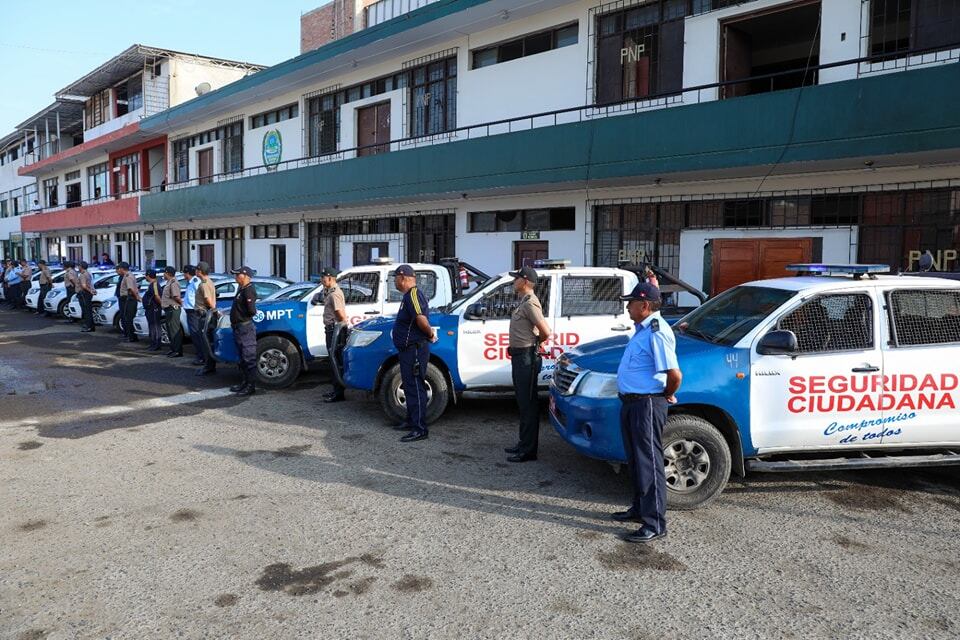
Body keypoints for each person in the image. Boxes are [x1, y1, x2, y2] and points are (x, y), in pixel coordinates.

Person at [612, 283, 682, 544]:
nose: (627, 306)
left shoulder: (656, 331)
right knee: (635, 459)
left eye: (630, 302)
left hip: (647, 404)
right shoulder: (643, 330)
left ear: (645, 306)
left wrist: (664, 394)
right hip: (632, 403)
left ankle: (654, 523)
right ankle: (639, 508)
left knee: (649, 462)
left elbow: (674, 375)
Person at [504, 265, 552, 463]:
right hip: (520, 356)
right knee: (523, 403)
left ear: (524, 281)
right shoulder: (523, 301)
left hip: (526, 358)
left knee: (528, 404)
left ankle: (528, 451)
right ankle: (524, 443)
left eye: (516, 279)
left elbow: (546, 331)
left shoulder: (530, 303)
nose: (514, 281)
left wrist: (535, 344)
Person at [392, 264, 437, 442]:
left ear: (403, 278)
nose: (394, 281)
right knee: (409, 385)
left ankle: (420, 428)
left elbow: (421, 319)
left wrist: (430, 333)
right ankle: (411, 421)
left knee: (416, 387)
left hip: (415, 349)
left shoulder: (413, 294)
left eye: (395, 277)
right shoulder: (407, 296)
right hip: (408, 349)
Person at [229, 266, 258, 396]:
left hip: (245, 328)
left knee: (249, 358)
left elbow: (252, 311)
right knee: (242, 359)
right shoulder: (242, 289)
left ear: (245, 276)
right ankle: (245, 382)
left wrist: (241, 316)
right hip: (238, 328)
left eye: (238, 275)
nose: (236, 277)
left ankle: (251, 386)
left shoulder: (249, 290)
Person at [320, 267, 347, 403]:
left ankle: (339, 393)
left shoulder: (334, 293)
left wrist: (339, 326)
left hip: (334, 329)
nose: (321, 279)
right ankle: (336, 390)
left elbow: (340, 314)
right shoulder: (329, 291)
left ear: (330, 278)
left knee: (335, 359)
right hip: (331, 329)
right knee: (333, 359)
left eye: (323, 277)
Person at [193, 261, 217, 376]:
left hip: (204, 315)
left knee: (205, 341)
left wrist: (214, 310)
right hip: (206, 314)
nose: (195, 272)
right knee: (207, 341)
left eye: (197, 270)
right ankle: (209, 365)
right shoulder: (208, 282)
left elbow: (207, 299)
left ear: (200, 271)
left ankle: (208, 366)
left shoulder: (204, 284)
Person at [160, 266, 184, 357]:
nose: (163, 274)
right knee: (170, 330)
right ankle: (173, 348)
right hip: (168, 309)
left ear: (168, 273)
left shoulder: (173, 283)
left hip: (173, 309)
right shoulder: (169, 282)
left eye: (164, 273)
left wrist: (181, 303)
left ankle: (177, 351)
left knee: (174, 331)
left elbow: (176, 296)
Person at [181, 265, 202, 365]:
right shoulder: (190, 283)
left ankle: (201, 356)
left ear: (188, 273)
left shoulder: (195, 282)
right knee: (193, 334)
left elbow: (201, 294)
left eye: (184, 273)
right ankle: (199, 354)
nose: (183, 275)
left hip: (194, 311)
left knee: (196, 334)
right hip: (190, 311)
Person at [116, 262, 141, 342]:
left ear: (122, 268)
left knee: (129, 318)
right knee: (127, 318)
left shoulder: (128, 276)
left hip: (129, 299)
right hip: (127, 299)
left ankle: (132, 337)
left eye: (119, 268)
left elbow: (130, 289)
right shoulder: (127, 275)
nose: (118, 269)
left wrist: (136, 297)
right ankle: (129, 335)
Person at [143, 269, 163, 351]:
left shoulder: (154, 284)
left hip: (154, 309)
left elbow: (157, 296)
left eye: (146, 275)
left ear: (149, 275)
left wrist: (161, 305)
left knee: (155, 326)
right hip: (150, 309)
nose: (145, 277)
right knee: (151, 326)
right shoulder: (151, 284)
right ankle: (152, 343)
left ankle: (156, 344)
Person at [77, 262, 96, 332]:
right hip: (87, 294)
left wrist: (90, 291)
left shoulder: (83, 275)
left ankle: (89, 326)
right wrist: (92, 290)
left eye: (78, 266)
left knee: (86, 311)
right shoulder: (88, 273)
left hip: (84, 294)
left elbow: (84, 286)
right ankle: (91, 326)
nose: (78, 267)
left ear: (81, 267)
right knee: (88, 310)